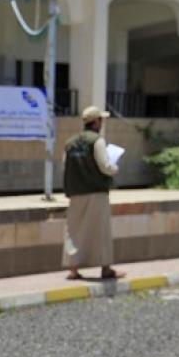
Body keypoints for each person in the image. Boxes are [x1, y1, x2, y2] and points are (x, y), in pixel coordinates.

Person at [62, 105, 122, 281]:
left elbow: (65, 167)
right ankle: (106, 269)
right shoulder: (98, 141)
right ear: (96, 122)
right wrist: (115, 168)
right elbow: (105, 165)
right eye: (101, 120)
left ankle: (73, 269)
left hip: (75, 192)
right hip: (96, 191)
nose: (102, 123)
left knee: (73, 230)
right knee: (101, 231)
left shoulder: (70, 143)